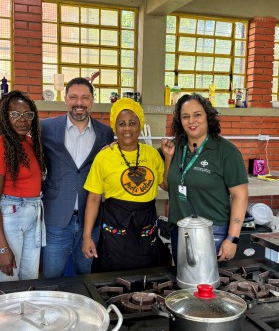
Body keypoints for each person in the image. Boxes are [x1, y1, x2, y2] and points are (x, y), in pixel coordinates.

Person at [161, 93, 249, 262]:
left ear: (208, 117)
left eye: (197, 115)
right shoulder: (175, 147)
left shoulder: (225, 151)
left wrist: (232, 238)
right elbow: (167, 185)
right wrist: (114, 146)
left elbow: (240, 196)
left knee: (208, 286)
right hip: (179, 230)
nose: (191, 121)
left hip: (213, 232)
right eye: (185, 116)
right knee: (184, 284)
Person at [41, 77, 114, 277]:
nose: (79, 103)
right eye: (73, 97)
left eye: (84, 98)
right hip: (56, 218)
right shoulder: (45, 128)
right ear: (65, 99)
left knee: (86, 274)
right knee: (52, 276)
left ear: (92, 100)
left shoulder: (105, 133)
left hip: (90, 220)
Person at [82, 98, 165, 271]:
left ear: (140, 125)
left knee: (147, 277)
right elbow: (94, 199)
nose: (127, 128)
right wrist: (87, 236)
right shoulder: (104, 156)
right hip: (115, 226)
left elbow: (166, 184)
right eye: (122, 123)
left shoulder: (152, 154)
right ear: (115, 127)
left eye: (132, 123)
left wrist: (169, 157)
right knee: (112, 278)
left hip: (146, 225)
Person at [0, 90, 46, 282]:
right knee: (8, 284)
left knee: (29, 280)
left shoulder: (30, 142)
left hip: (33, 215)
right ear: (4, 117)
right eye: (15, 114)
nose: (22, 120)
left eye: (28, 114)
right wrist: (3, 248)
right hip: (10, 217)